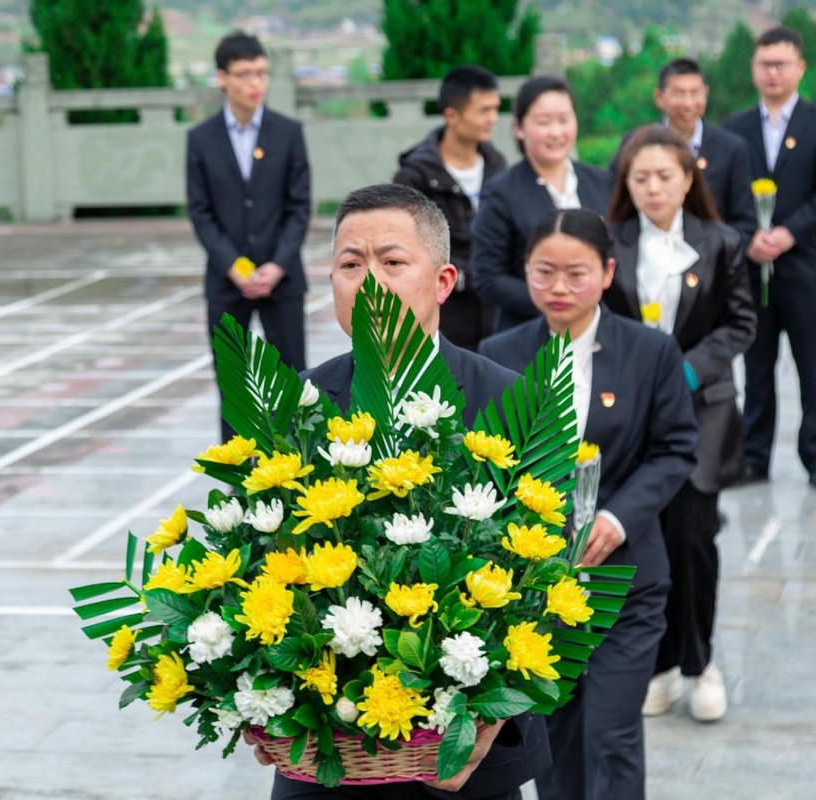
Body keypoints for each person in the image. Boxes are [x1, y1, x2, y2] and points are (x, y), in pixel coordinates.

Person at [248, 184, 551, 800]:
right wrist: (257, 700)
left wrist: (482, 726)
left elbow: (548, 573)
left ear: (442, 281)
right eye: (350, 265)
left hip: (467, 761)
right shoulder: (291, 406)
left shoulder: (512, 402)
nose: (368, 281)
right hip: (324, 757)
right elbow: (259, 562)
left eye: (391, 262)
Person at [479, 209, 698, 800]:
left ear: (606, 272)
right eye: (543, 272)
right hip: (537, 588)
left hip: (626, 580)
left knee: (611, 732)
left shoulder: (649, 350)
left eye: (575, 274)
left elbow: (676, 450)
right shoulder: (499, 353)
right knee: (553, 737)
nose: (558, 288)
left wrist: (617, 516)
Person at [605, 125, 756, 723]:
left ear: (689, 178)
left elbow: (740, 324)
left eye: (664, 175)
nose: (652, 187)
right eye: (639, 177)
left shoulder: (719, 242)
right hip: (634, 418)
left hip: (701, 409)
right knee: (649, 541)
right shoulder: (610, 243)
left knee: (695, 539)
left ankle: (701, 663)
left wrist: (685, 371)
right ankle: (662, 665)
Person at [724, 26, 816, 493]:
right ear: (754, 69)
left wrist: (791, 232)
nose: (773, 72)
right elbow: (727, 195)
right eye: (764, 64)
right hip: (751, 267)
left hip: (804, 265)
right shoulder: (734, 129)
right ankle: (754, 456)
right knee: (756, 364)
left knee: (812, 363)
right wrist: (747, 236)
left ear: (799, 68)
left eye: (781, 64)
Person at [187, 31, 311, 441]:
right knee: (235, 387)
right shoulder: (201, 139)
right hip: (228, 281)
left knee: (292, 382)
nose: (256, 83)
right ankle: (239, 484)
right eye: (244, 74)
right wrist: (237, 268)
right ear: (222, 78)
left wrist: (275, 265)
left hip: (283, 277)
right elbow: (201, 213)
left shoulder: (288, 132)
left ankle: (296, 471)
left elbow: (299, 207)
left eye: (261, 73)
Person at [472, 76, 613, 334]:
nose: (556, 132)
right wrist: (557, 299)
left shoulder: (602, 182)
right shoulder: (501, 193)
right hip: (528, 334)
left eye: (564, 120)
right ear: (519, 127)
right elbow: (488, 279)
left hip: (598, 330)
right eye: (544, 122)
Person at [393, 65, 507, 351]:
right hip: (445, 313)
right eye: (483, 110)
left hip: (494, 313)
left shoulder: (497, 166)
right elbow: (407, 243)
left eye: (495, 109)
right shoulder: (416, 176)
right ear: (451, 115)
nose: (493, 119)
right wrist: (468, 273)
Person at [609, 58, 757, 243]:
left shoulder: (731, 148)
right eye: (678, 94)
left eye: (695, 93)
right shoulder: (635, 144)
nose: (688, 104)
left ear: (705, 94)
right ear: (659, 97)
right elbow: (613, 202)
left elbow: (745, 222)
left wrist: (716, 253)